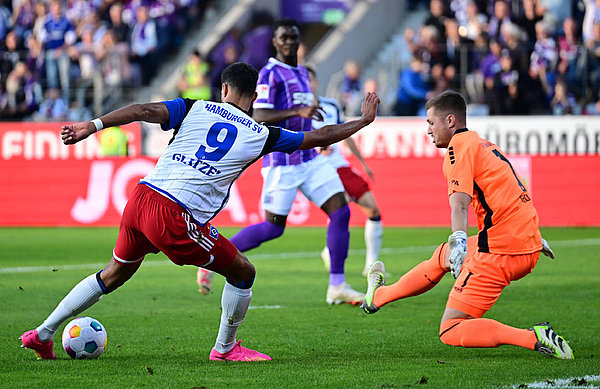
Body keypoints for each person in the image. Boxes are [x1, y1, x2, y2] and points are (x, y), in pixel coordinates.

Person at [19, 62, 380, 362]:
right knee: (243, 272)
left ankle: (43, 333)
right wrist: (362, 121)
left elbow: (143, 110)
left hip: (141, 198)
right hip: (173, 215)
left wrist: (91, 125)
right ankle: (225, 349)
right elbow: (321, 136)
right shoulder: (260, 133)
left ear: (223, 90)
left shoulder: (193, 107)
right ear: (253, 98)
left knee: (113, 274)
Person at [361, 90, 573, 360]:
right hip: (523, 243)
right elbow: (514, 192)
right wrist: (533, 238)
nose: (427, 130)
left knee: (449, 329)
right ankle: (377, 297)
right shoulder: (483, 145)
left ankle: (533, 336)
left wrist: (460, 239)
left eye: (430, 122)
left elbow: (459, 204)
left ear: (450, 120)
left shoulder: (458, 149)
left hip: (502, 252)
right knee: (443, 255)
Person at [197, 18, 365, 305]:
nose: (289, 41)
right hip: (281, 162)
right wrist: (299, 110)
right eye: (283, 37)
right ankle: (212, 257)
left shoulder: (301, 73)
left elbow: (303, 114)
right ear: (275, 42)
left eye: (293, 36)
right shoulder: (270, 74)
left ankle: (337, 284)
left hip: (310, 159)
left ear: (299, 41)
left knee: (341, 212)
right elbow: (259, 116)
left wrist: (315, 132)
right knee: (273, 228)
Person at [305, 66, 383, 276]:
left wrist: (363, 163)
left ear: (315, 82)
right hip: (319, 168)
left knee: (373, 209)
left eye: (310, 79)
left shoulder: (331, 105)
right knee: (341, 208)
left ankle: (371, 265)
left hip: (341, 165)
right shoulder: (296, 110)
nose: (308, 84)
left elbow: (345, 134)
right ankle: (330, 253)